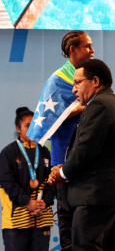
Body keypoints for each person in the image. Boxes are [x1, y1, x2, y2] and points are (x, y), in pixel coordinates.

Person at [48, 59, 115, 251]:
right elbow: (92, 150)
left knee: (83, 246)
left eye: (77, 83)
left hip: (97, 195)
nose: (73, 90)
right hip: (105, 194)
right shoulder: (107, 102)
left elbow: (84, 150)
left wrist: (62, 174)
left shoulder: (100, 105)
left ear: (95, 81)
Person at [26, 30, 94, 250]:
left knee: (88, 221)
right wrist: (89, 106)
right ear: (73, 50)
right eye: (87, 46)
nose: (92, 50)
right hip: (64, 158)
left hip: (87, 158)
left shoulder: (92, 80)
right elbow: (58, 115)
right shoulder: (57, 81)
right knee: (67, 216)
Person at [0, 107, 55, 251]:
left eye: (34, 125)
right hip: (16, 222)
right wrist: (27, 202)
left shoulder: (45, 152)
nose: (31, 129)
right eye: (27, 126)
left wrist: (45, 202)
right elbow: (8, 184)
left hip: (41, 218)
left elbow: (52, 182)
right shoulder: (8, 153)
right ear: (18, 128)